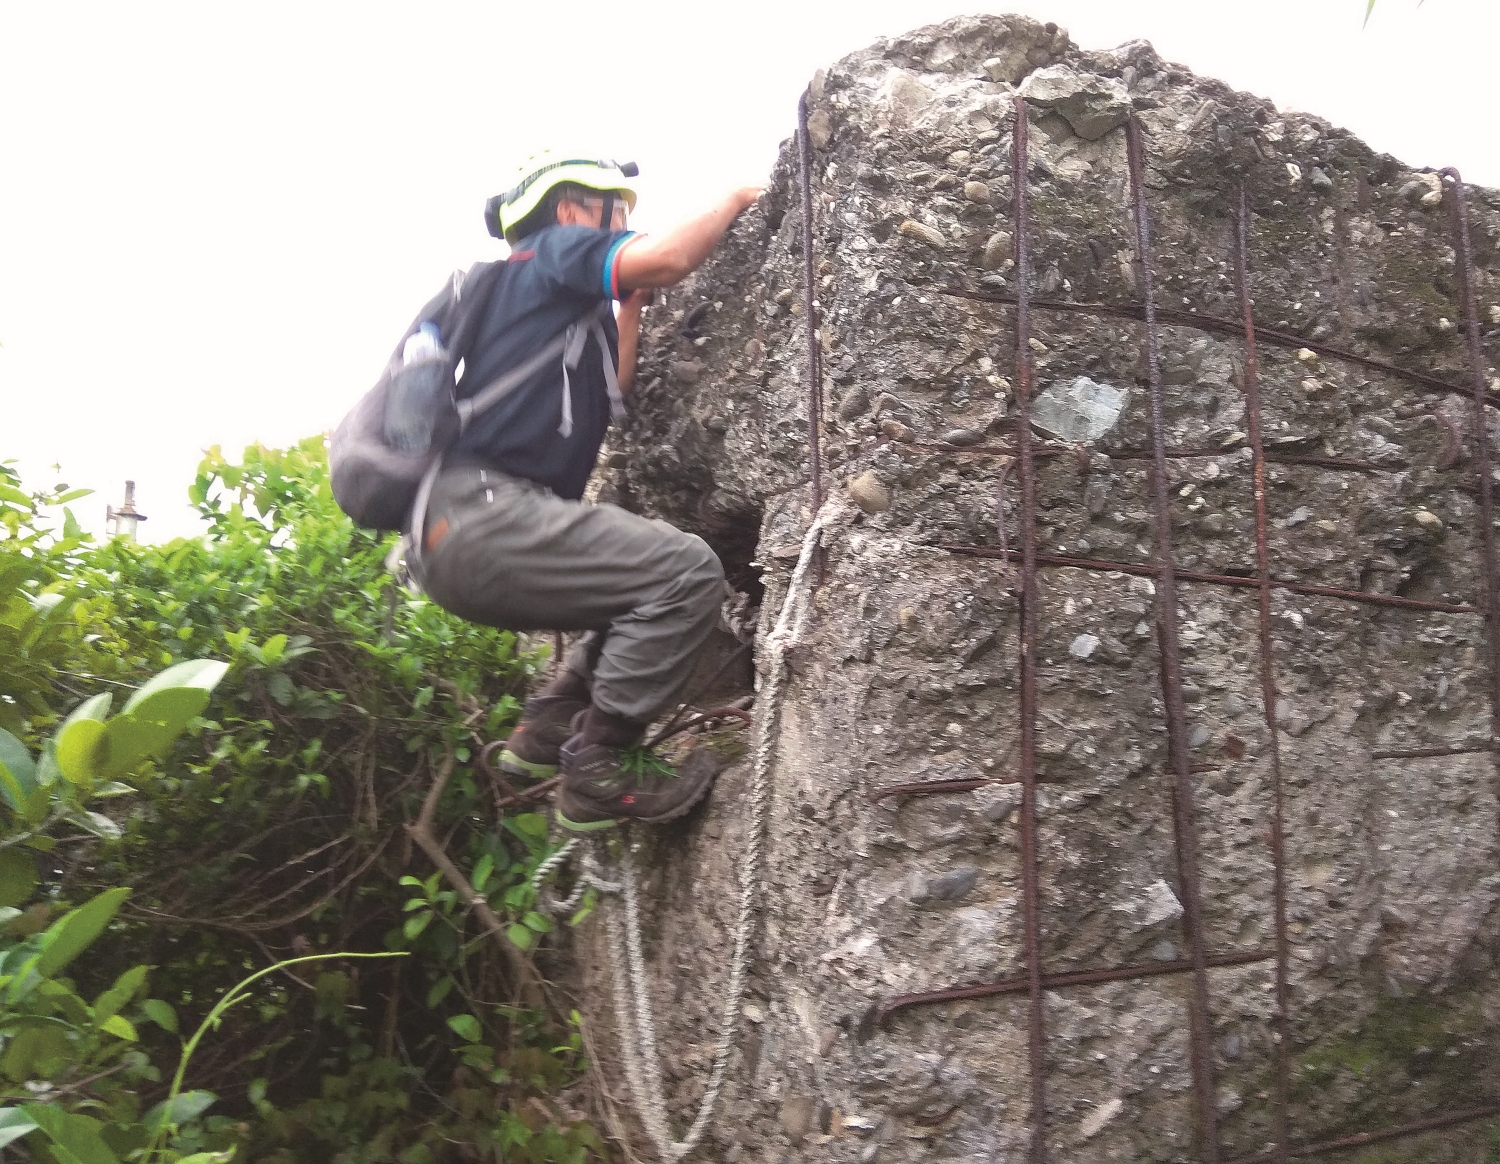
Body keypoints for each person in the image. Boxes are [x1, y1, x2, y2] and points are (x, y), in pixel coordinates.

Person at [413, 152, 761, 832]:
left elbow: (613, 389)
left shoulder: (543, 307)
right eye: (616, 210)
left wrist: (626, 308)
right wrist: (733, 201)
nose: (625, 224)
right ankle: (602, 765)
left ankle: (547, 730)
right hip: (487, 516)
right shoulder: (552, 251)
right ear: (571, 209)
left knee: (632, 583)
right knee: (685, 570)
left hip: (452, 538)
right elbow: (663, 260)